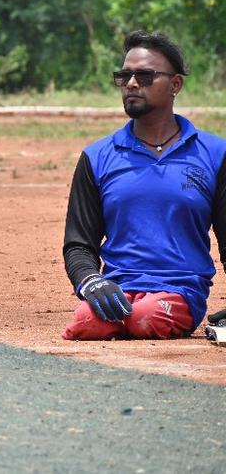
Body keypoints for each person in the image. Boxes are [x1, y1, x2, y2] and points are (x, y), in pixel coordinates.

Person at [61, 31, 226, 340]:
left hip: (180, 291)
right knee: (86, 322)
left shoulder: (216, 154)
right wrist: (91, 282)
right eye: (124, 76)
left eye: (145, 76)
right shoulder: (97, 157)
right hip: (118, 291)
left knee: (145, 318)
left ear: (175, 84)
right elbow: (79, 244)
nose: (132, 84)